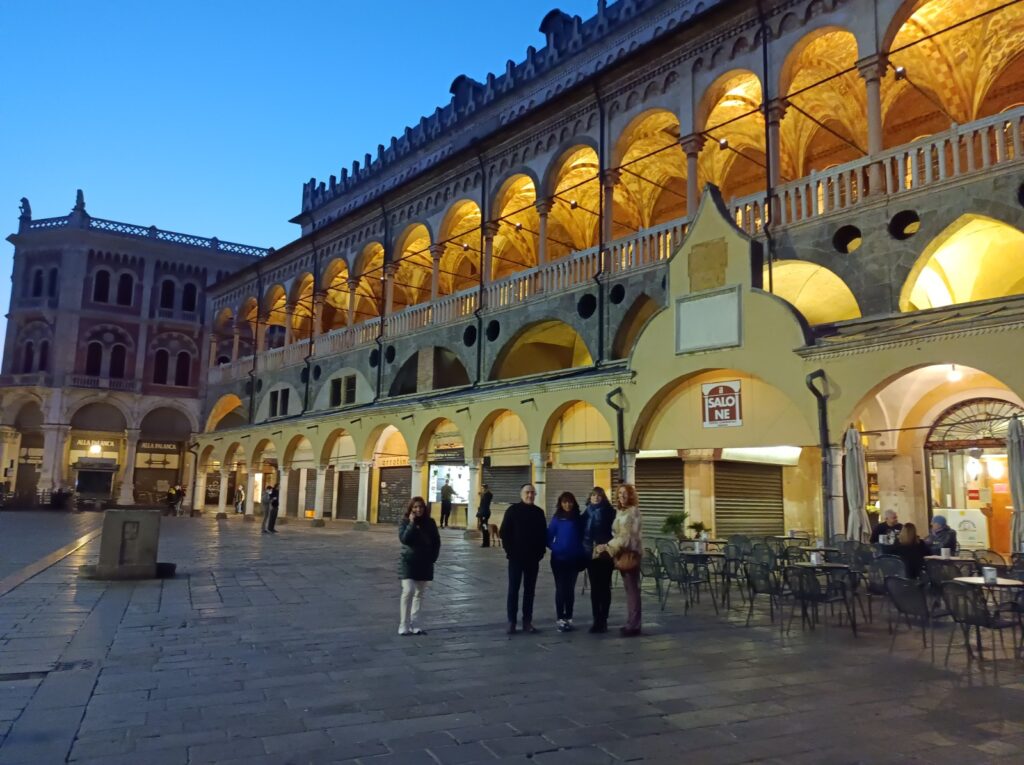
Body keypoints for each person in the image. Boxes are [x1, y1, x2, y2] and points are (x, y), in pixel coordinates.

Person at [499, 483, 548, 634]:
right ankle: (511, 621)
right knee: (513, 590)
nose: (530, 495)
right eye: (527, 493)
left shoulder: (539, 512)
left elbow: (543, 534)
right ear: (521, 494)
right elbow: (504, 532)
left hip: (533, 559)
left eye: (532, 493)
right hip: (516, 558)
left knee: (530, 591)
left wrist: (540, 553)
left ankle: (527, 621)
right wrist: (510, 551)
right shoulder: (513, 511)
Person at [398, 496, 441, 636]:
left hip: (424, 562)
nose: (418, 509)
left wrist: (432, 558)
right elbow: (404, 539)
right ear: (411, 508)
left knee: (419, 594)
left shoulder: (430, 522)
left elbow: (436, 542)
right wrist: (411, 523)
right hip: (408, 562)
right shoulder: (405, 522)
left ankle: (415, 624)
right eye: (415, 507)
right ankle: (403, 625)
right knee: (408, 591)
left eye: (421, 507)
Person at [546, 491, 587, 632]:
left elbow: (584, 538)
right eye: (564, 502)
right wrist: (556, 548)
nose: (567, 504)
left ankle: (569, 616)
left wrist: (581, 553)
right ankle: (560, 618)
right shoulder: (557, 518)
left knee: (570, 589)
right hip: (559, 560)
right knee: (561, 588)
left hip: (574, 559)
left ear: (573, 503)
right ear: (561, 503)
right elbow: (548, 537)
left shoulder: (579, 519)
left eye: (570, 502)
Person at [606, 483, 643, 637]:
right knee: (630, 590)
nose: (621, 496)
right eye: (619, 493)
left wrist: (608, 546)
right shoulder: (621, 512)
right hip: (622, 554)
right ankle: (632, 622)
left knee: (633, 590)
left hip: (630, 554)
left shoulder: (632, 512)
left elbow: (626, 537)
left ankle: (634, 625)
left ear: (631, 495)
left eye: (625, 493)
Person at [582, 486, 616, 633]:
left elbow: (616, 532)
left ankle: (604, 618)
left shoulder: (610, 512)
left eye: (599, 496)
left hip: (606, 553)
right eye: (593, 495)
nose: (596, 498)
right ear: (590, 497)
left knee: (605, 587)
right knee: (595, 588)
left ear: (603, 497)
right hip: (591, 554)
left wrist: (607, 545)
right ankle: (597, 619)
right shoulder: (586, 513)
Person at [477, 484, 493, 548]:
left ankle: (485, 543)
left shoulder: (487, 495)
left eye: (482, 488)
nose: (481, 489)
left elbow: (484, 505)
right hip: (484, 513)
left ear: (485, 488)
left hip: (484, 514)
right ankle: (486, 543)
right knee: (484, 528)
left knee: (484, 528)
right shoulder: (486, 495)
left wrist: (482, 495)